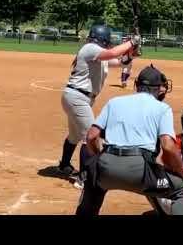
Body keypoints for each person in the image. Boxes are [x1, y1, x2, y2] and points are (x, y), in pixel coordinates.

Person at [75, 64, 183, 215]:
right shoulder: (162, 108)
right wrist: (182, 172)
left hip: (107, 165)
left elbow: (92, 136)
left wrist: (99, 158)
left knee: (93, 181)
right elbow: (168, 146)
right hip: (140, 170)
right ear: (159, 88)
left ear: (136, 85)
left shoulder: (114, 102)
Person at [51, 24, 141, 189]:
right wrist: (131, 42)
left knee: (74, 136)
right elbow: (113, 53)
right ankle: (83, 177)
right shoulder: (90, 48)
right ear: (103, 39)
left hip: (77, 98)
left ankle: (64, 165)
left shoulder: (99, 55)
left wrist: (131, 54)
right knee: (90, 137)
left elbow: (120, 61)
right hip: (77, 98)